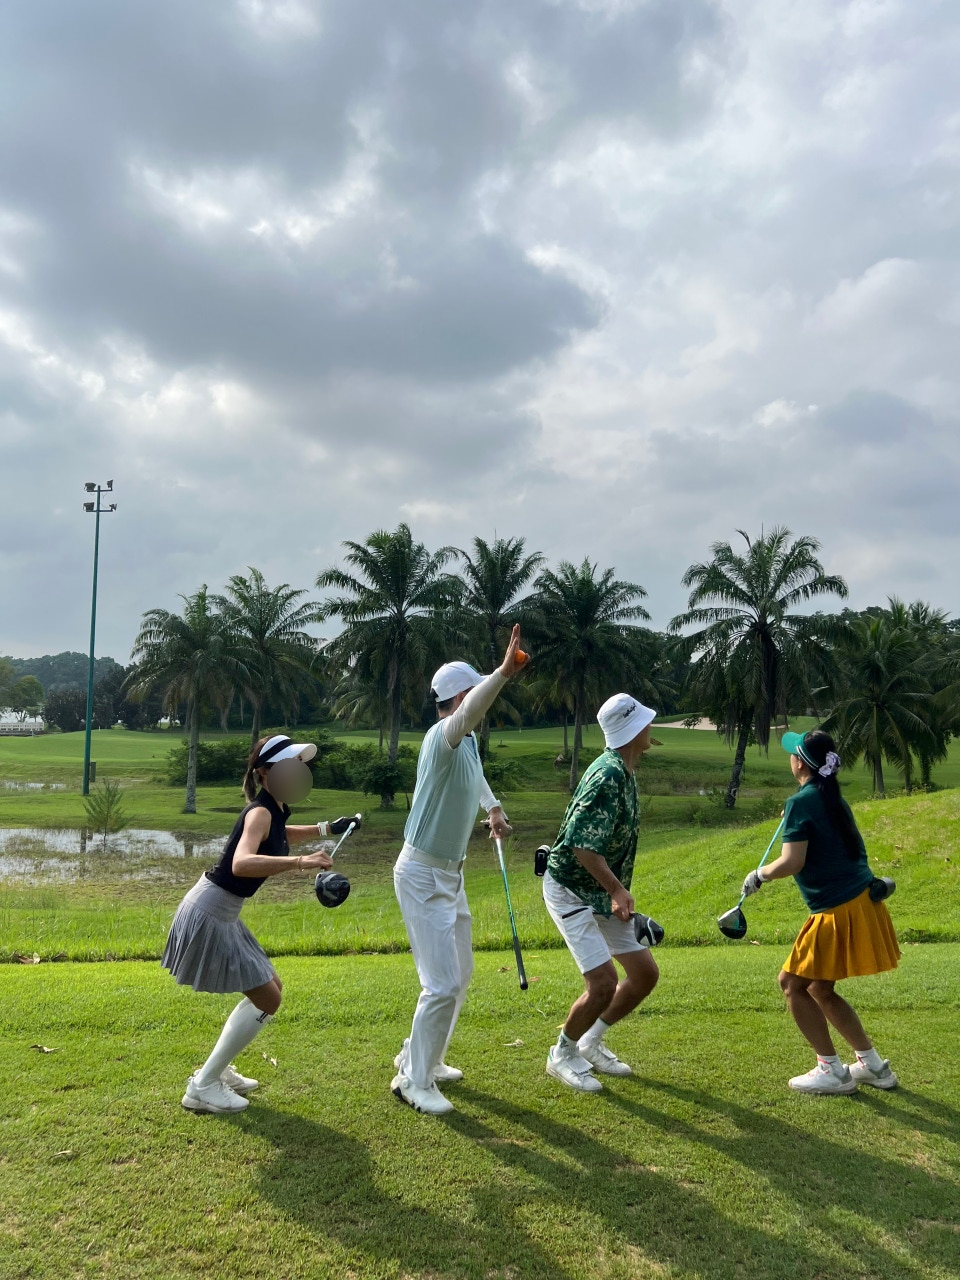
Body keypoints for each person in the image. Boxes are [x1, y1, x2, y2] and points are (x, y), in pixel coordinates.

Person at [162, 734, 361, 1114]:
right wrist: (301, 863)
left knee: (271, 990)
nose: (298, 771)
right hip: (211, 911)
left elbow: (280, 836)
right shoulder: (260, 811)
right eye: (289, 765)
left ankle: (215, 1072)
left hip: (223, 909)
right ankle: (203, 1085)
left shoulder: (276, 808)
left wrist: (328, 829)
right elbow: (241, 862)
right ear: (265, 772)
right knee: (269, 998)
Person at [391, 625, 525, 1115]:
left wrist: (492, 808)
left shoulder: (465, 744)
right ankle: (413, 1080)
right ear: (463, 696)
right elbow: (468, 715)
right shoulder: (441, 737)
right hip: (422, 874)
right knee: (441, 983)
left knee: (460, 972)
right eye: (476, 692)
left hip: (451, 874)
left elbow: (478, 776)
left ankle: (424, 1056)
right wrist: (504, 673)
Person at [741, 729, 900, 1095]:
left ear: (799, 762)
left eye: (792, 753)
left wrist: (759, 875)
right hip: (860, 901)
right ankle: (873, 1066)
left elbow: (792, 862)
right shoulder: (828, 798)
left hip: (835, 908)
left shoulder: (804, 801)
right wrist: (798, 809)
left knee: (791, 984)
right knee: (819, 988)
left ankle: (831, 1070)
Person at [542, 693, 660, 1092]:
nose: (650, 727)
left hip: (599, 889)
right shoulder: (608, 774)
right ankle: (562, 1052)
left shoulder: (625, 769)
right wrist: (617, 889)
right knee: (604, 982)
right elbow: (582, 847)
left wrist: (614, 891)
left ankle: (590, 1041)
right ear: (632, 729)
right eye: (645, 722)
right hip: (571, 889)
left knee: (644, 974)